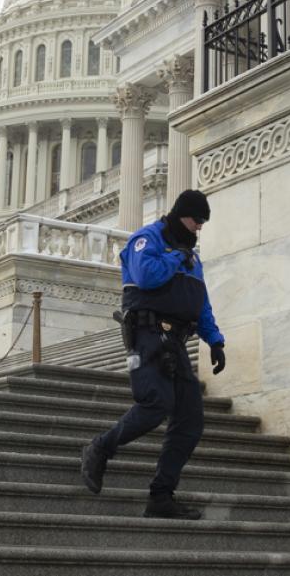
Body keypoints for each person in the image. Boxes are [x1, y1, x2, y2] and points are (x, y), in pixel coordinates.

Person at [79, 189, 227, 519]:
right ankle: (100, 447)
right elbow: (146, 277)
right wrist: (176, 254)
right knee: (155, 403)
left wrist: (214, 339)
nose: (199, 228)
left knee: (190, 421)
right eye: (196, 220)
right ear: (180, 215)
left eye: (203, 223)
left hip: (175, 341)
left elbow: (199, 301)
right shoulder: (148, 239)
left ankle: (161, 496)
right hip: (147, 335)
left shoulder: (191, 254)